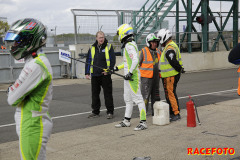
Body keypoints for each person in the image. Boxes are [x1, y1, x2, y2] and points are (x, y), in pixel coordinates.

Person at [5, 18, 53, 160]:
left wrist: (12, 89)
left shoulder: (36, 65)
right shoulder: (33, 61)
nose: (14, 45)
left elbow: (12, 98)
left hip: (32, 124)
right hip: (30, 122)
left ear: (30, 41)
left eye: (18, 41)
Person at [114, 24, 147, 131]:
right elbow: (127, 62)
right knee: (128, 99)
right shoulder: (130, 44)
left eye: (119, 33)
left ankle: (143, 122)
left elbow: (135, 61)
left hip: (132, 77)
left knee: (138, 99)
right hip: (128, 76)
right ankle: (126, 120)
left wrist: (130, 73)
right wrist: (116, 68)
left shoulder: (129, 45)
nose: (118, 36)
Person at [85, 31, 116, 119]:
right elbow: (88, 60)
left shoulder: (109, 47)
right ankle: (95, 111)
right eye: (100, 37)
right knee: (94, 94)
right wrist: (87, 73)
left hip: (105, 74)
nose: (101, 39)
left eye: (102, 37)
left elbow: (112, 60)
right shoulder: (92, 48)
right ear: (96, 38)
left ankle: (110, 112)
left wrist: (109, 71)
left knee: (108, 94)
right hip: (95, 75)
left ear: (104, 38)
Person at [157, 28, 185, 122]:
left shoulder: (169, 48)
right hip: (168, 75)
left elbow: (172, 60)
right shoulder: (170, 46)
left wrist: (179, 68)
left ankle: (176, 113)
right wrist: (180, 69)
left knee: (171, 94)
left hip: (170, 75)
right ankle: (173, 112)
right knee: (170, 94)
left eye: (160, 38)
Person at [139, 33, 161, 116]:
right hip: (146, 78)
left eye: (156, 42)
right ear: (149, 42)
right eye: (153, 42)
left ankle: (154, 112)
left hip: (156, 78)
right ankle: (143, 114)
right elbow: (138, 63)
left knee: (155, 97)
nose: (155, 44)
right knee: (145, 97)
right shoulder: (144, 51)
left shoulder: (158, 52)